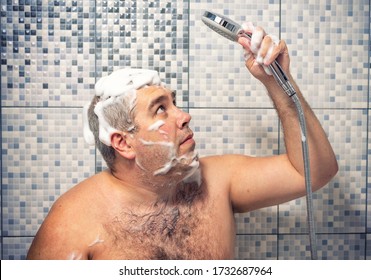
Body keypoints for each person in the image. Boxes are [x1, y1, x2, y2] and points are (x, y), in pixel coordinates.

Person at [27, 24, 338, 260]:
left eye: (174, 102)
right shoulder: (72, 223)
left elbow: (313, 171)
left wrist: (277, 80)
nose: (184, 115)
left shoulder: (217, 181)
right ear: (123, 143)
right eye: (161, 108)